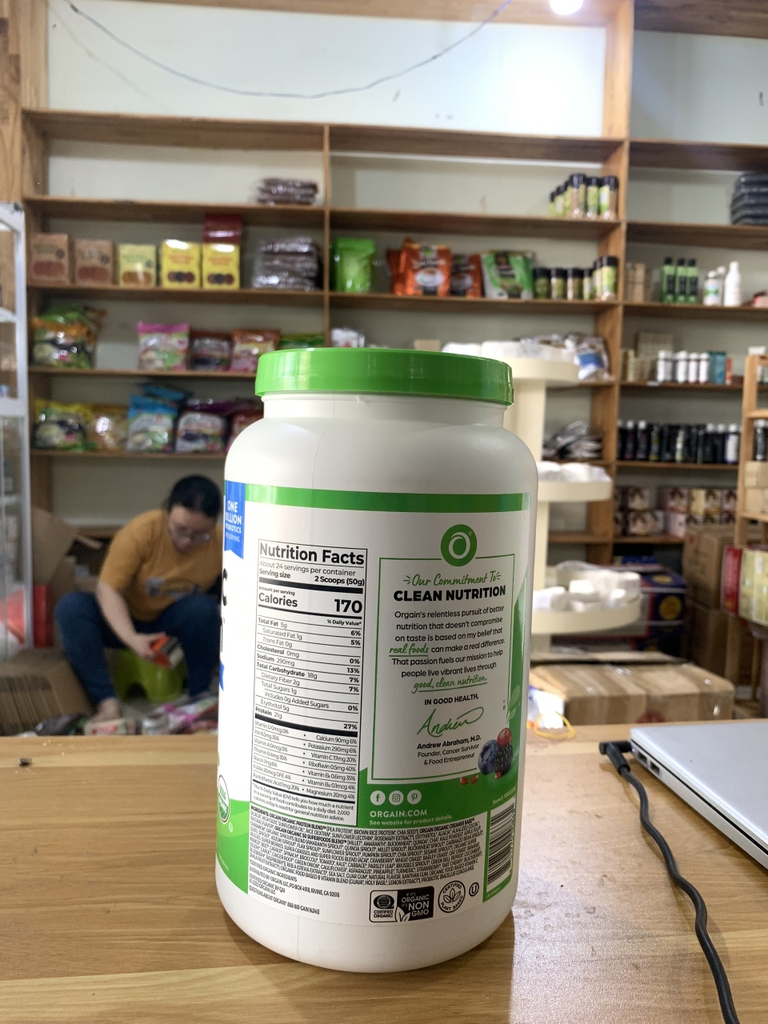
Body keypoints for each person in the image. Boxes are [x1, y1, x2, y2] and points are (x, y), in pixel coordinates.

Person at [56, 475, 223, 723]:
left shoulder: (222, 542)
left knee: (204, 608)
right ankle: (107, 702)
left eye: (200, 535)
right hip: (126, 617)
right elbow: (107, 589)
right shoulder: (142, 531)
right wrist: (131, 637)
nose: (188, 541)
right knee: (71, 607)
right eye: (180, 530)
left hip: (171, 621)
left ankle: (200, 697)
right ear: (167, 511)